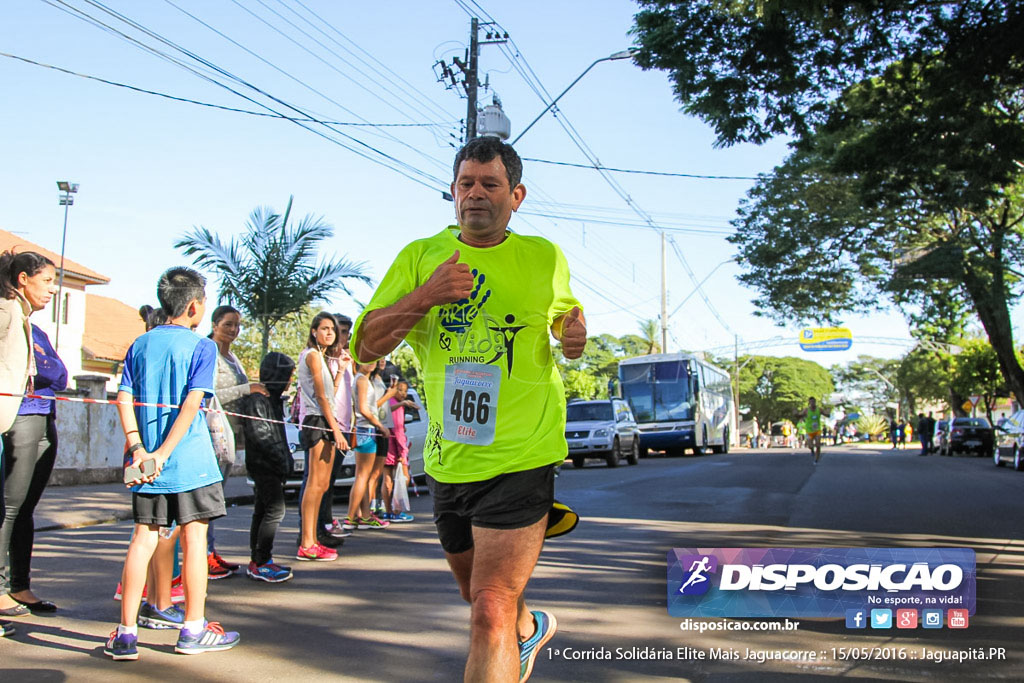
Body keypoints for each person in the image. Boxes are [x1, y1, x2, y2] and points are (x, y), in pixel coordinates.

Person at [351, 136, 587, 682]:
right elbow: (365, 347)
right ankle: (528, 630)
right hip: (451, 456)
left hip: (523, 451)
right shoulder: (420, 256)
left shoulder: (543, 256)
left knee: (489, 609)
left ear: (516, 195)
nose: (475, 194)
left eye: (490, 184)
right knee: (475, 593)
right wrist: (424, 295)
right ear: (453, 191)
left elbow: (562, 313)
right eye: (465, 183)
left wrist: (570, 332)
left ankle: (511, 627)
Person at [105, 267, 239, 660]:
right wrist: (165, 453)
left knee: (142, 539)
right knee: (194, 541)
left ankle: (126, 634)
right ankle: (193, 629)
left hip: (147, 461)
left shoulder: (140, 344)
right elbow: (193, 403)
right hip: (192, 461)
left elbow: (123, 398)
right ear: (196, 306)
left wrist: (140, 449)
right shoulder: (202, 347)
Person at [0, 252, 51, 637]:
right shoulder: (5, 312)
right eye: (47, 282)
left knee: (18, 510)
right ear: (22, 279)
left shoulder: (23, 318)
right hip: (11, 423)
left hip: (23, 418)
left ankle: (16, 586)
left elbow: (58, 372)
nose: (53, 290)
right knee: (7, 510)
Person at [207, 305, 268, 578]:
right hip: (210, 433)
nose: (233, 330)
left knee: (215, 497)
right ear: (214, 323)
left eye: (237, 325)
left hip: (230, 435)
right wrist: (248, 388)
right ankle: (204, 555)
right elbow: (210, 392)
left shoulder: (232, 357)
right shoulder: (208, 352)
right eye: (228, 324)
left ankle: (209, 551)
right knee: (207, 499)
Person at [296, 312, 348, 561]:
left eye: (333, 330)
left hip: (326, 420)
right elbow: (320, 397)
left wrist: (341, 371)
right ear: (314, 331)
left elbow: (331, 393)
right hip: (317, 422)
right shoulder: (313, 356)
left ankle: (313, 539)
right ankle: (306, 542)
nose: (330, 333)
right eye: (325, 328)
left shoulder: (324, 359)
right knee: (314, 484)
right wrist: (336, 430)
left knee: (323, 485)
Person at [241, 352, 295, 583]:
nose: (290, 381)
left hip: (271, 465)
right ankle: (261, 561)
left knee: (263, 510)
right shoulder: (257, 400)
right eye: (287, 375)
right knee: (274, 510)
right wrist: (280, 460)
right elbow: (262, 436)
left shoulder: (273, 400)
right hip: (263, 466)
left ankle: (259, 560)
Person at [341, 362, 392, 531]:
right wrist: (380, 425)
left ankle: (364, 515)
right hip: (366, 430)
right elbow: (363, 408)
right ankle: (350, 516)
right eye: (366, 359)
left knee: (364, 475)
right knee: (362, 476)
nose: (371, 363)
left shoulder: (366, 379)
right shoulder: (362, 380)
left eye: (374, 360)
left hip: (367, 430)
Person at [381, 380, 419, 522]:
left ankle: (388, 511)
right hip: (395, 448)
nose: (403, 393)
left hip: (386, 446)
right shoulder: (396, 406)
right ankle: (398, 511)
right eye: (400, 390)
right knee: (404, 478)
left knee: (387, 479)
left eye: (405, 391)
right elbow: (398, 431)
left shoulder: (387, 402)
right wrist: (402, 453)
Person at [367, 358, 398, 516]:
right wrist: (389, 395)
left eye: (383, 357)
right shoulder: (369, 380)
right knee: (371, 474)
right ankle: (368, 509)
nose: (381, 361)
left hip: (384, 427)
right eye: (377, 358)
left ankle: (374, 507)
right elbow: (371, 407)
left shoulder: (379, 379)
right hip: (375, 428)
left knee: (377, 473)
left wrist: (400, 403)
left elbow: (384, 406)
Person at [797, 397, 828, 464]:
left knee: (818, 445)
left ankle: (816, 459)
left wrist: (828, 412)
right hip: (809, 430)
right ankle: (812, 450)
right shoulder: (806, 410)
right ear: (809, 403)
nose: (812, 403)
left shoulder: (819, 409)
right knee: (810, 445)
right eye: (811, 402)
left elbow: (826, 414)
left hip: (817, 430)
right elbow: (800, 415)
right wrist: (797, 413)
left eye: (814, 402)